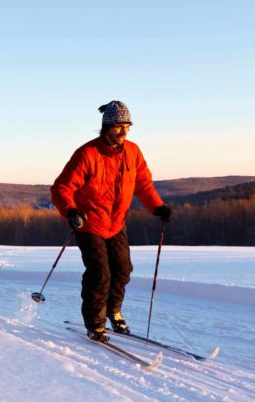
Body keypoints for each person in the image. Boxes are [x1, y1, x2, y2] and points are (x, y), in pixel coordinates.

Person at [51, 100, 172, 343]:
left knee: (123, 269)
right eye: (119, 126)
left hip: (116, 222)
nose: (124, 131)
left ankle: (112, 311)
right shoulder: (87, 153)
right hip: (89, 223)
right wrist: (71, 211)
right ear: (106, 126)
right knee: (100, 273)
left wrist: (157, 206)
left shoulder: (133, 151)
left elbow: (143, 184)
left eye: (127, 126)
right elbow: (61, 188)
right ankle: (95, 322)